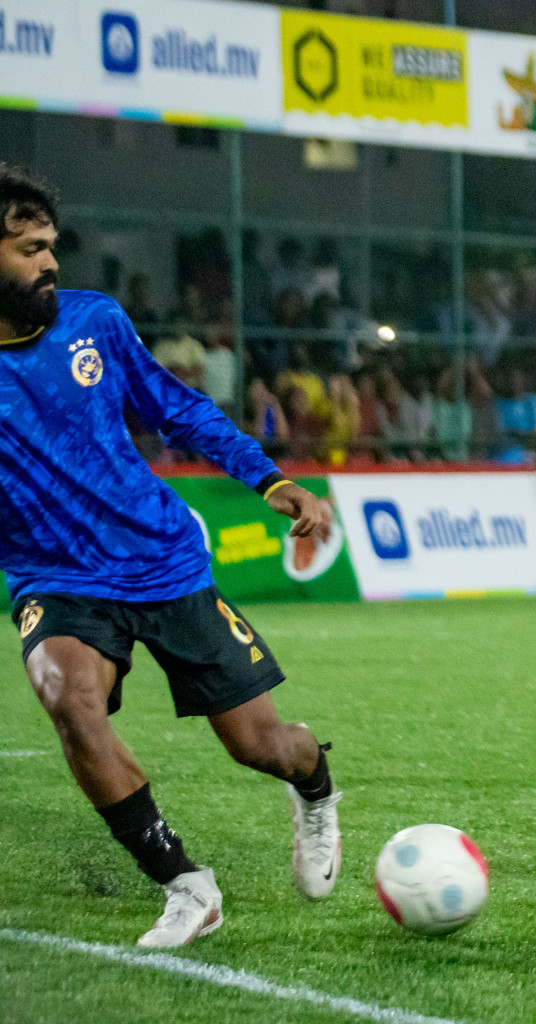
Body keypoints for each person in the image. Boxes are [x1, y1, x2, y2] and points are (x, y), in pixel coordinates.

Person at [0, 165, 343, 946]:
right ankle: (187, 886)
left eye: (52, 246)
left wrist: (271, 478)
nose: (51, 263)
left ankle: (317, 790)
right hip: (58, 581)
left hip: (162, 561)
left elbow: (178, 410)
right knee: (70, 702)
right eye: (28, 250)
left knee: (260, 746)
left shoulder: (95, 322)